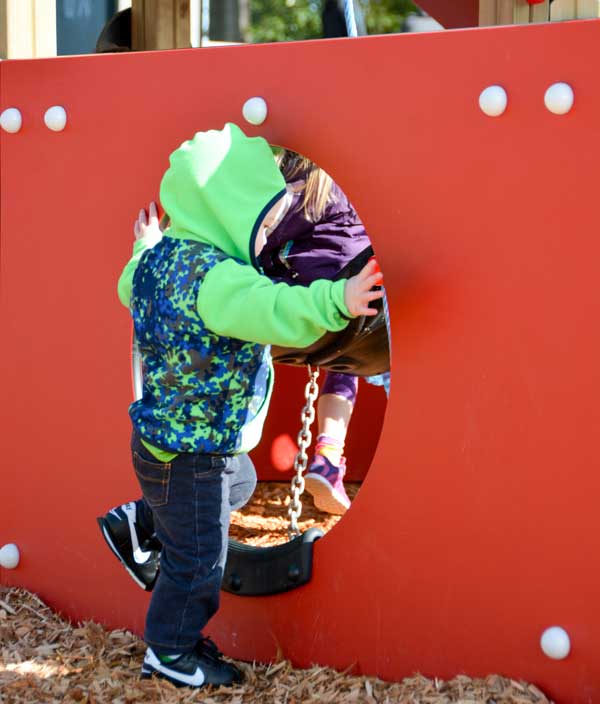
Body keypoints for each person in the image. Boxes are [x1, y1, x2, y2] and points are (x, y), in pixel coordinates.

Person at [99, 123, 383, 689]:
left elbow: (127, 285)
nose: (272, 233)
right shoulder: (219, 282)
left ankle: (141, 521)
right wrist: (339, 299)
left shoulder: (157, 266)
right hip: (195, 452)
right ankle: (171, 651)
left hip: (158, 444)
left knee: (242, 483)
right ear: (230, 214)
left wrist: (144, 245)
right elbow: (276, 309)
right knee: (199, 563)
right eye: (267, 222)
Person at [260, 149, 388, 515]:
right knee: (363, 356)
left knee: (338, 353)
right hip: (350, 291)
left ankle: (328, 458)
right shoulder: (343, 185)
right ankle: (329, 454)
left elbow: (260, 238)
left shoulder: (288, 188)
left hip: (301, 295)